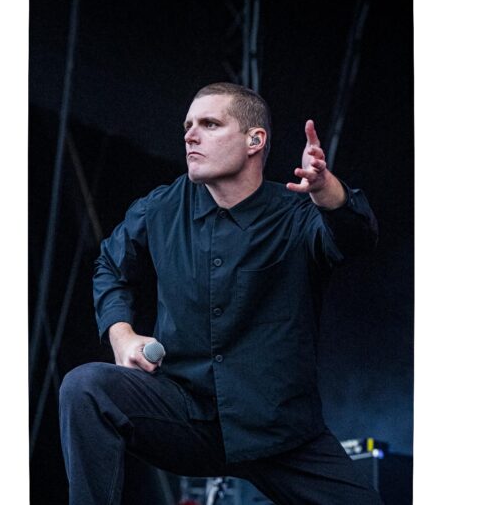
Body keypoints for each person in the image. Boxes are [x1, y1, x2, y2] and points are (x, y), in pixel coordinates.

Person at [59, 82, 382, 504]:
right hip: (185, 415)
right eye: (188, 126)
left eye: (209, 124)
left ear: (254, 140)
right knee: (85, 387)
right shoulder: (162, 208)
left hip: (279, 431)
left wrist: (327, 190)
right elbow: (110, 265)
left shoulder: (296, 215)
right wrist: (122, 334)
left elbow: (357, 238)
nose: (191, 136)